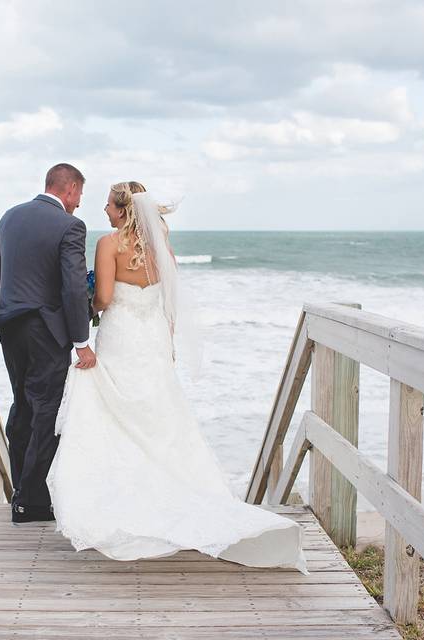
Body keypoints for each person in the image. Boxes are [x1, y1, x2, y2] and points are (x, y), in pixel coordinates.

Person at [46, 181, 308, 571]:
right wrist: (166, 342)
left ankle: (124, 500)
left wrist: (86, 299)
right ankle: (172, 490)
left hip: (120, 337)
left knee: (114, 415)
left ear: (122, 209)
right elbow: (170, 301)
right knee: (160, 417)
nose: (102, 209)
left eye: (107, 203)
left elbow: (102, 298)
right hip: (151, 340)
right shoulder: (161, 247)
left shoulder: (108, 245)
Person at [0, 163, 96, 523]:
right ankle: (31, 499)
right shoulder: (70, 226)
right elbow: (73, 287)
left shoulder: (10, 216)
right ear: (69, 189)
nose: (78, 204)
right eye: (79, 196)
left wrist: (11, 303)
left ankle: (22, 494)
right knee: (47, 409)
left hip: (10, 323)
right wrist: (80, 340)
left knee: (22, 404)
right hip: (46, 330)